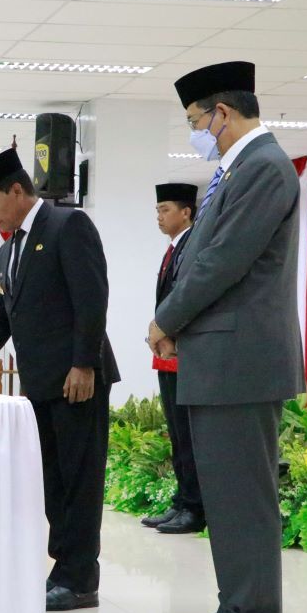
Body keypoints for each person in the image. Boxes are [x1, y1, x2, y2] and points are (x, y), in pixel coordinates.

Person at [148, 61, 304, 613]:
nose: (198, 131)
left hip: (241, 360)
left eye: (197, 120)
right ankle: (235, 606)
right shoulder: (234, 170)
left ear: (224, 111)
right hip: (219, 357)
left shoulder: (263, 167)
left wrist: (166, 319)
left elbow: (222, 262)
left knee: (245, 497)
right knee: (225, 494)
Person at [0, 148, 119, 612]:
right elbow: (1, 317)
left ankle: (80, 579)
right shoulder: (9, 247)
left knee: (79, 480)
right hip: (40, 385)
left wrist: (84, 364)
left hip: (78, 380)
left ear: (18, 191)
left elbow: (92, 299)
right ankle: (63, 569)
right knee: (52, 480)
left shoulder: (66, 226)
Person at [140, 183, 204, 536]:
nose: (159, 216)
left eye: (165, 209)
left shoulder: (194, 247)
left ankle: (194, 507)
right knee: (177, 433)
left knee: (188, 434)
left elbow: (189, 298)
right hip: (168, 354)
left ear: (186, 212)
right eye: (157, 210)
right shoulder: (173, 249)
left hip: (186, 354)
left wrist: (169, 334)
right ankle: (182, 500)